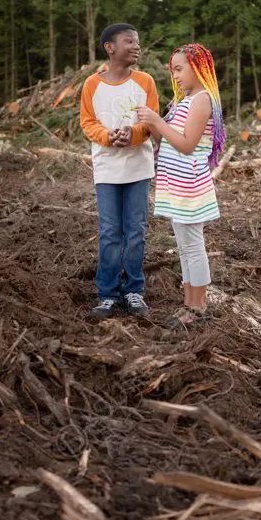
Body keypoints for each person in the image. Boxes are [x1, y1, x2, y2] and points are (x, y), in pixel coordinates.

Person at [135, 43, 225, 329]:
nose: (174, 75)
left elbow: (187, 145)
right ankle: (189, 304)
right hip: (176, 183)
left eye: (179, 68)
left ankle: (199, 307)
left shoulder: (202, 99)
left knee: (193, 246)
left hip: (190, 184)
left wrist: (157, 122)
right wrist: (153, 126)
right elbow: (169, 141)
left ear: (198, 67)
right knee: (185, 247)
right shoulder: (184, 100)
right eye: (172, 70)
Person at [79, 24, 159, 318]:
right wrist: (107, 136)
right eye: (129, 41)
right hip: (107, 170)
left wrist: (133, 133)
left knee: (135, 231)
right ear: (110, 47)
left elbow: (151, 122)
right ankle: (108, 294)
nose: (136, 46)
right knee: (110, 232)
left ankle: (134, 290)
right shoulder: (91, 85)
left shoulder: (145, 81)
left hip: (138, 168)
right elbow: (87, 122)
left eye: (138, 42)